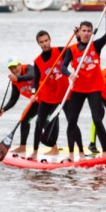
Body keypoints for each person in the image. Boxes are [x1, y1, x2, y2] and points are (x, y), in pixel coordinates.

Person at [60, 4, 106, 157]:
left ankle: (105, 152)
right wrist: (69, 74)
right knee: (71, 121)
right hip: (77, 89)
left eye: (89, 31)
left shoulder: (95, 46)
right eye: (84, 30)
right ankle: (75, 153)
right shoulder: (72, 49)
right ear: (79, 32)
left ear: (91, 33)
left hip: (94, 88)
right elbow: (63, 67)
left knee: (97, 119)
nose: (87, 33)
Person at [31, 30, 71, 158]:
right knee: (39, 123)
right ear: (38, 44)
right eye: (41, 42)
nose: (44, 44)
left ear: (50, 40)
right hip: (48, 96)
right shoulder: (37, 61)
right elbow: (35, 81)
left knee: (72, 122)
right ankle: (35, 152)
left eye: (46, 41)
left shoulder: (61, 51)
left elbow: (77, 50)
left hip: (64, 94)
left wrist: (78, 36)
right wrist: (33, 93)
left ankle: (74, 152)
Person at [0, 59, 38, 155]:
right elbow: (13, 99)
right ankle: (22, 147)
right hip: (37, 101)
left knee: (43, 121)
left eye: (15, 67)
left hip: (48, 98)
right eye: (11, 69)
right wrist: (3, 110)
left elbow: (32, 75)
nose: (14, 70)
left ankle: (54, 148)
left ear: (20, 65)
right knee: (24, 119)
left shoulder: (28, 68)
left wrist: (18, 79)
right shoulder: (14, 82)